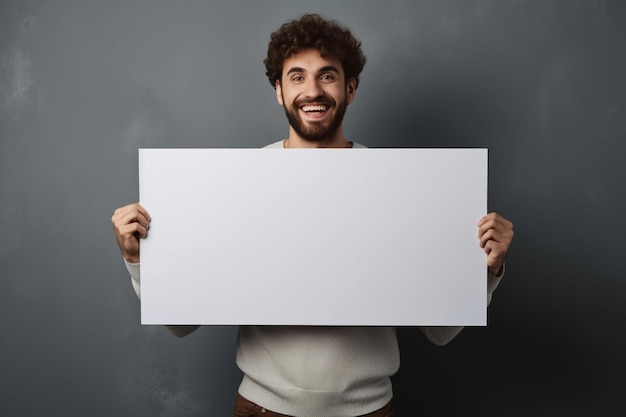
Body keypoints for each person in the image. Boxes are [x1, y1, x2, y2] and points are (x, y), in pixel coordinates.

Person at [111, 13, 514, 417]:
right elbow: (181, 324)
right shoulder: (236, 184)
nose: (313, 90)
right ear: (279, 91)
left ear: (350, 88)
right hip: (263, 409)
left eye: (327, 75)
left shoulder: (401, 186)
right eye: (297, 76)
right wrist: (138, 261)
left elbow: (440, 332)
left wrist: (485, 272)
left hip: (369, 411)